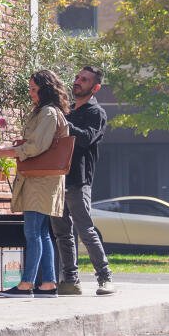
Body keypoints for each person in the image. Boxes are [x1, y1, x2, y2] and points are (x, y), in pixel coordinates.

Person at [0, 69, 70, 296]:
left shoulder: (48, 113)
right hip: (42, 178)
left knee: (33, 231)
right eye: (30, 89)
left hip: (40, 180)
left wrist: (4, 153)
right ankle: (48, 283)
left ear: (45, 90)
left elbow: (36, 146)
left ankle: (27, 284)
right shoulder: (46, 111)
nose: (30, 93)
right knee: (42, 232)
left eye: (34, 89)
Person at [53, 65, 115, 295]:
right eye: (78, 77)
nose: (78, 81)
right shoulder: (67, 111)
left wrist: (63, 124)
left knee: (85, 230)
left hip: (79, 180)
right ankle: (70, 280)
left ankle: (105, 277)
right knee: (62, 233)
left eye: (84, 79)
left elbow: (86, 138)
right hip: (57, 179)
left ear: (95, 87)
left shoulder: (96, 113)